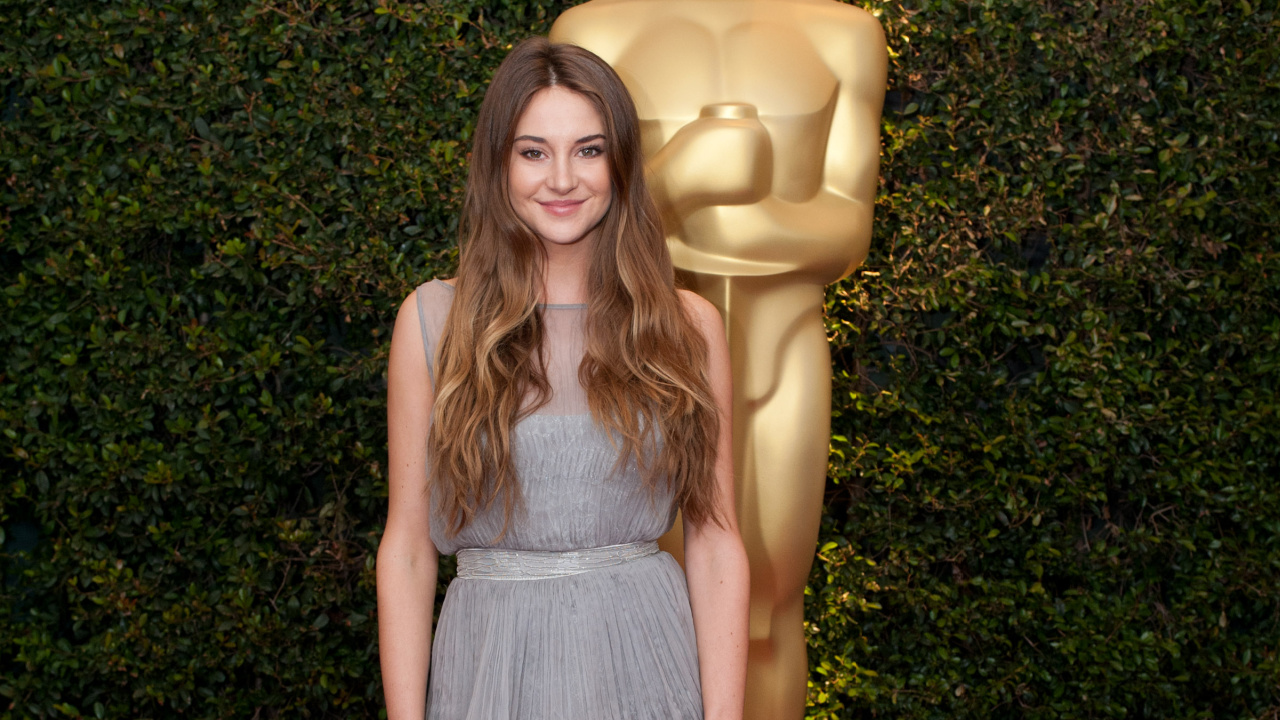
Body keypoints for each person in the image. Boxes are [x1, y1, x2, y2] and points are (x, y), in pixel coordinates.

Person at [377, 37, 750, 720]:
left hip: (647, 665)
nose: (561, 179)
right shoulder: (433, 321)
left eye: (588, 149)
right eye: (532, 152)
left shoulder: (686, 327)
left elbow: (717, 539)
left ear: (622, 163)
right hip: (491, 669)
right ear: (498, 165)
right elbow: (406, 546)